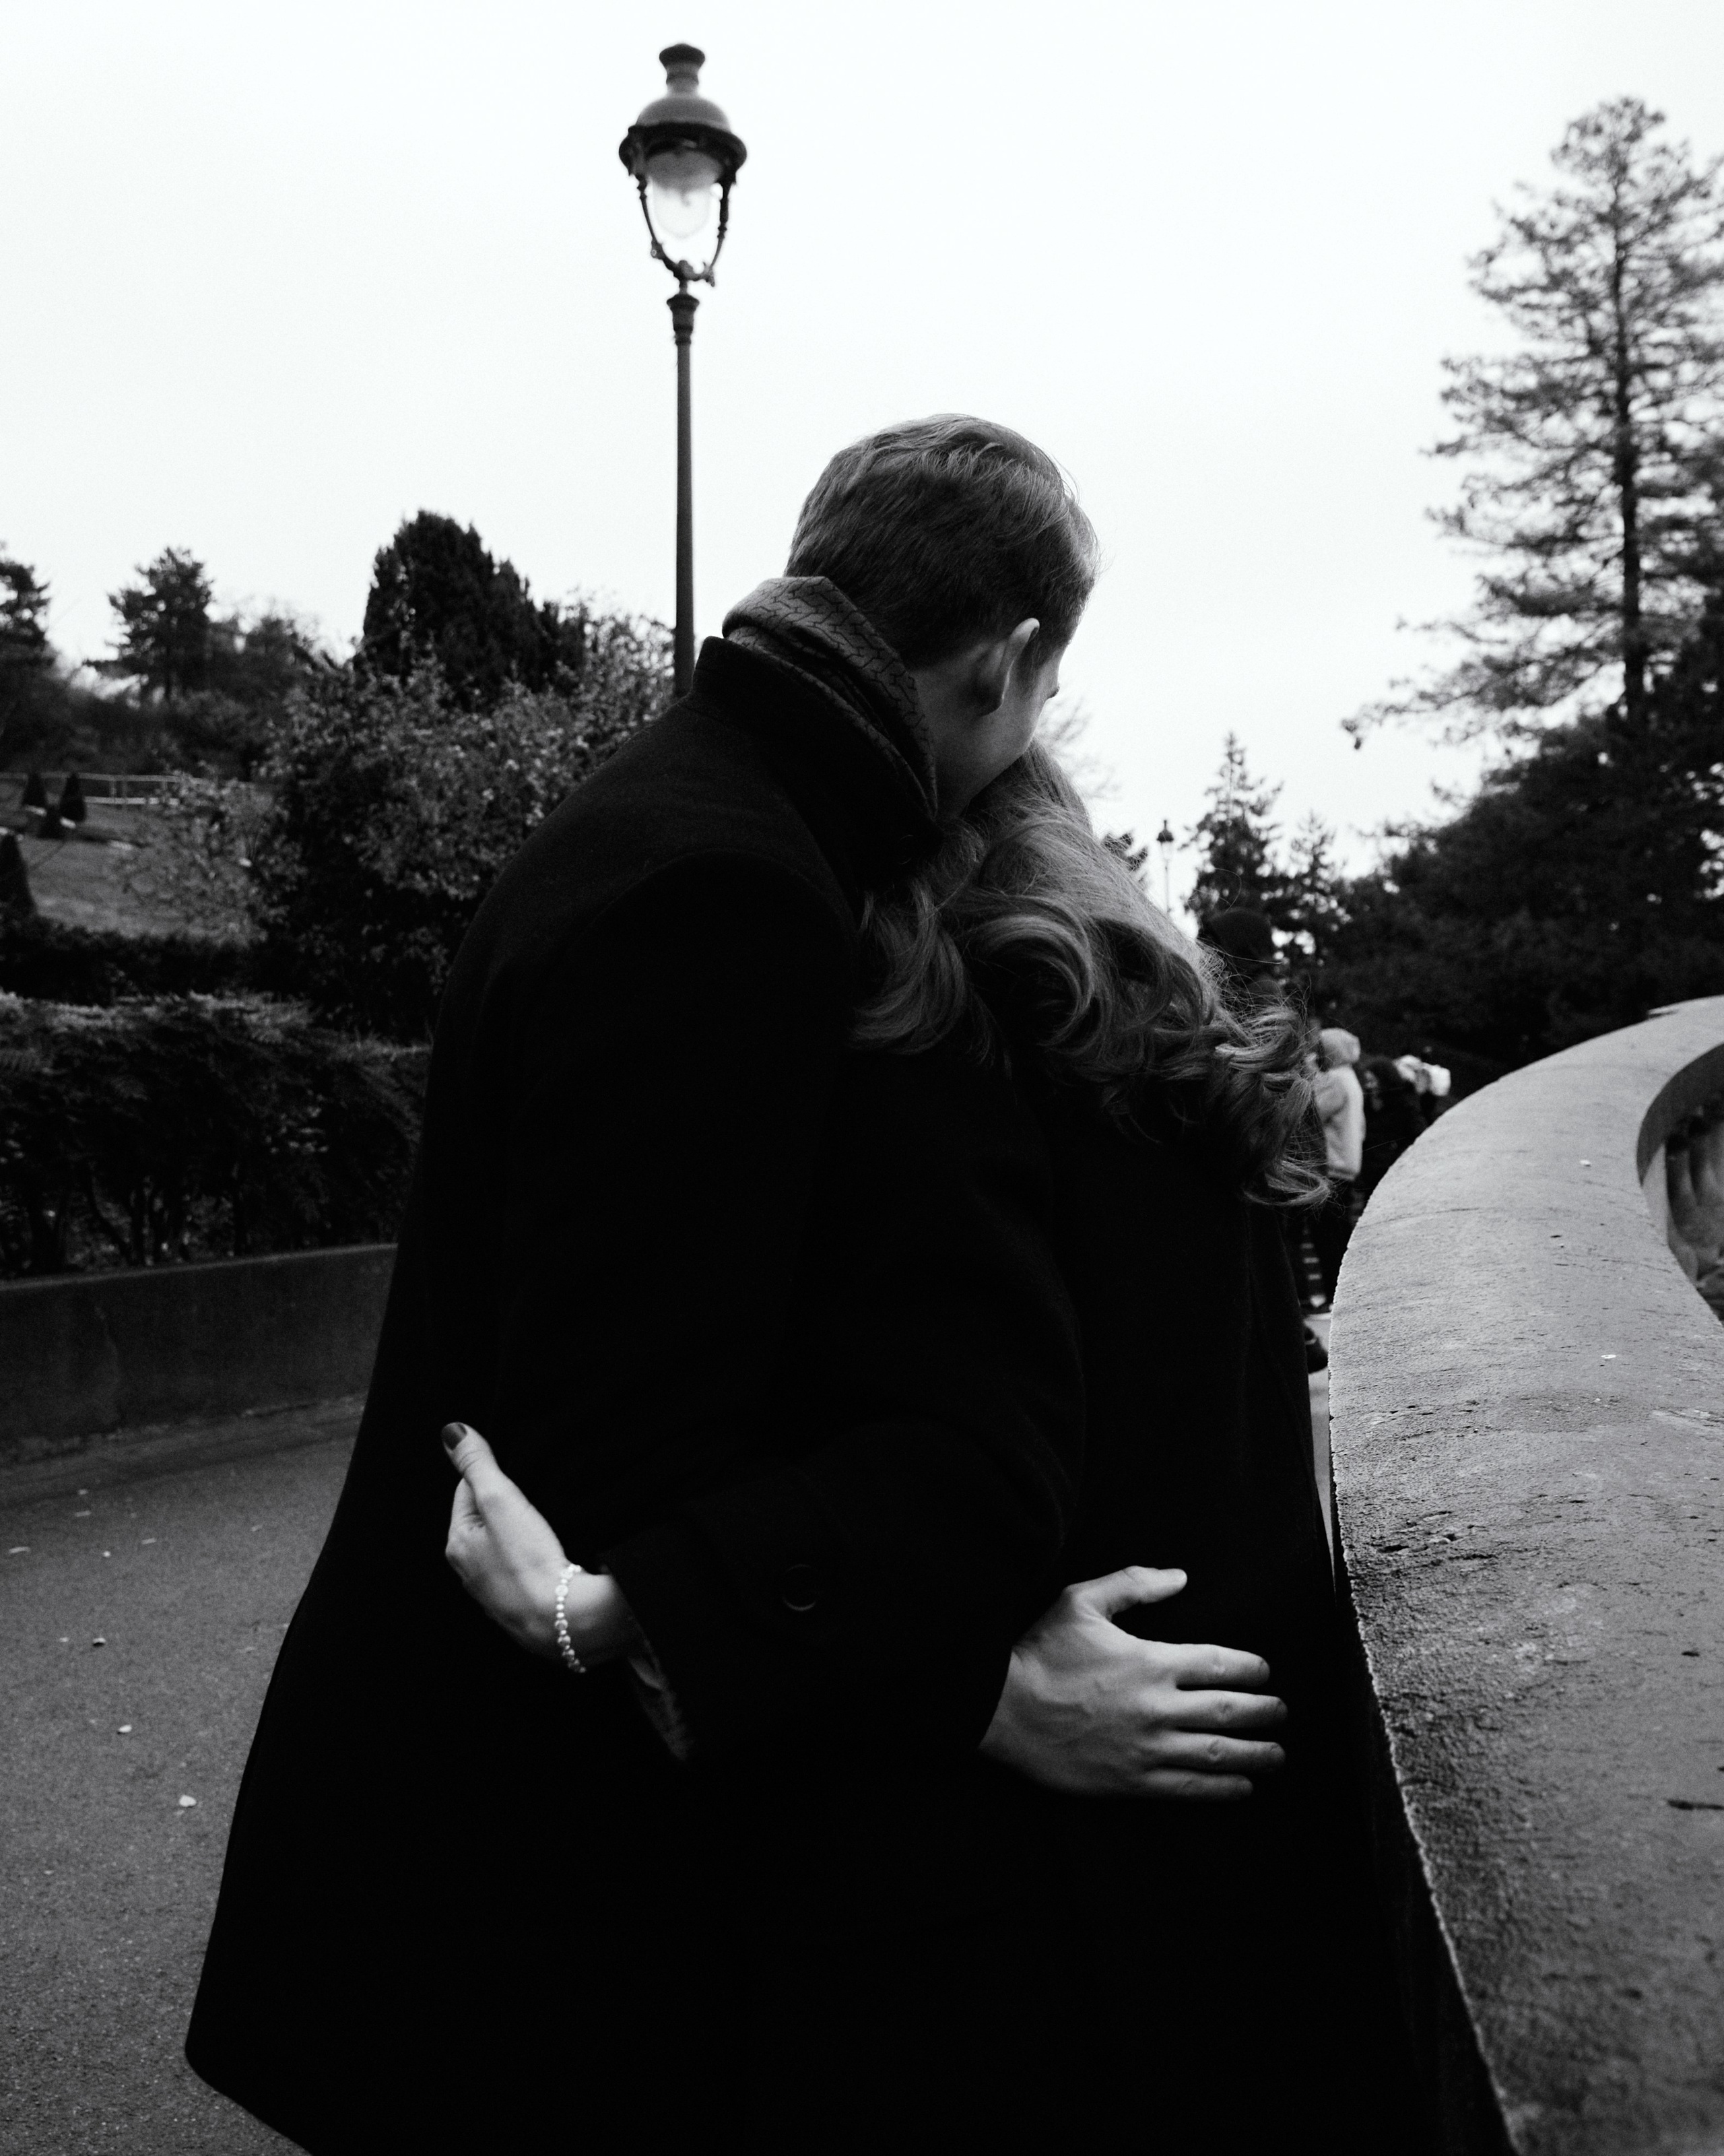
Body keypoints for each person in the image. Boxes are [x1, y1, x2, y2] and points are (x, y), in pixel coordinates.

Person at [186, 418, 1298, 2151]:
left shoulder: (676, 817)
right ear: (1009, 663)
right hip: (523, 1870)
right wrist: (974, 1696)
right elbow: (634, 1470)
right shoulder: (732, 888)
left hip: (493, 1847)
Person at [444, 748, 1415, 2147]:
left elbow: (927, 1495)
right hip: (1239, 1845)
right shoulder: (1190, 1087)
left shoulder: (938, 1076)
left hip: (1017, 1902)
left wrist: (626, 1610)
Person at [1311, 1022, 1365, 1305]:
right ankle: (1344, 1293)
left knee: (1327, 1237)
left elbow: (1313, 1113)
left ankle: (1334, 1293)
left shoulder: (1334, 1080)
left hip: (1332, 1167)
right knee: (1339, 1234)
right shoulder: (1352, 1079)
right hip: (1350, 1166)